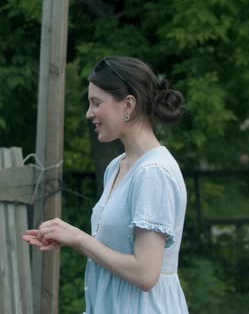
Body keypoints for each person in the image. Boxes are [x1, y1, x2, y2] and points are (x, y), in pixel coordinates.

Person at [23, 56, 189, 313]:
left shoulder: (154, 172)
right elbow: (113, 250)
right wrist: (68, 238)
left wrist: (78, 238)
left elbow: (145, 274)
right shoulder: (117, 166)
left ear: (129, 105)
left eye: (96, 103)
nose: (89, 113)